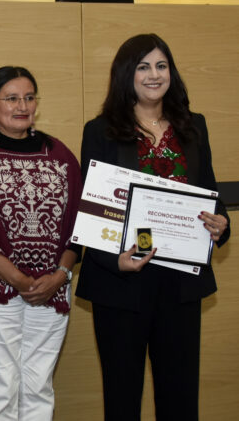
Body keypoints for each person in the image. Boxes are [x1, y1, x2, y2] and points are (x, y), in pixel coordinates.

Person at [77, 33, 230, 420]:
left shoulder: (193, 126)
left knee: (180, 399)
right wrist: (115, 262)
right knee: (123, 398)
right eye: (143, 66)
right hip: (124, 282)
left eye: (161, 65)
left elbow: (210, 194)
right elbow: (92, 211)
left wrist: (221, 225)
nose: (153, 74)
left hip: (180, 283)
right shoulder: (101, 130)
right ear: (126, 74)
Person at [0, 66, 82, 420]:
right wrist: (19, 280)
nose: (21, 105)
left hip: (53, 285)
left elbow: (80, 225)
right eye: (11, 98)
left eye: (29, 97)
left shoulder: (60, 155)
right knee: (1, 390)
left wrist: (60, 275)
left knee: (39, 386)